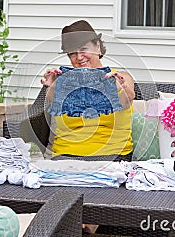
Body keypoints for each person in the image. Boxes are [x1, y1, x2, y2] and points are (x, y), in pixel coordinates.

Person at [40, 20, 136, 162]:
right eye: (72, 53)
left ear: (98, 47)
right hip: (65, 157)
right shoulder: (62, 81)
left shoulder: (120, 77)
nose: (79, 57)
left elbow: (127, 100)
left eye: (84, 49)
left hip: (113, 157)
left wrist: (119, 88)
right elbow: (53, 102)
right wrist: (52, 86)